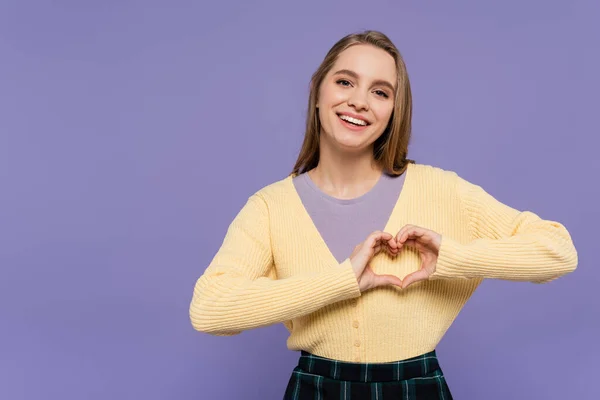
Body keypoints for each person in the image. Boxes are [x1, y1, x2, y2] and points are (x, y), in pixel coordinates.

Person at [188, 30, 578, 399]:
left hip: (417, 387)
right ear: (316, 91)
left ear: (394, 109)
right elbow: (209, 310)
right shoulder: (271, 206)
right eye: (344, 82)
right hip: (315, 389)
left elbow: (559, 251)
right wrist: (341, 281)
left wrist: (455, 257)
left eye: (380, 91)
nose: (359, 101)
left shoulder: (440, 189)